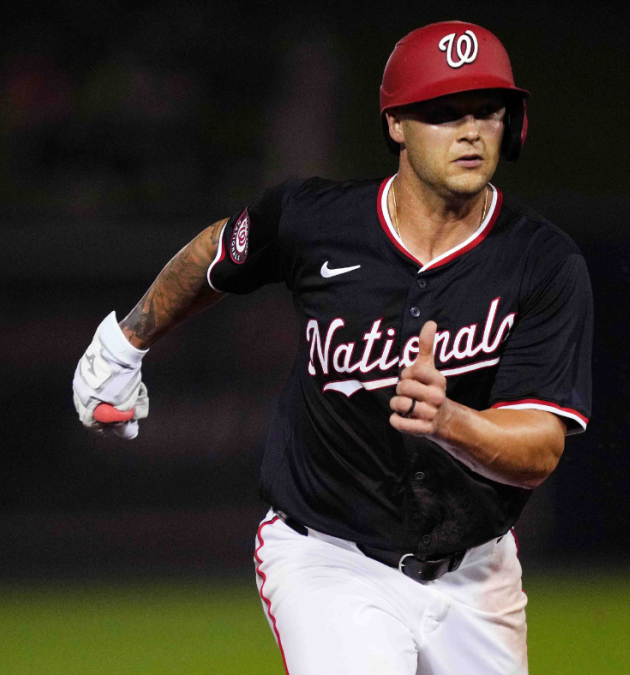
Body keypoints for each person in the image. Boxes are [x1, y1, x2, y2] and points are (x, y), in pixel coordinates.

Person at [72, 20, 592, 674]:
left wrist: (451, 421)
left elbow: (541, 444)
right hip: (331, 557)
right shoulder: (316, 222)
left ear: (512, 124)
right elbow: (218, 253)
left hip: (476, 571)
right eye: (442, 111)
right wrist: (124, 344)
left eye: (487, 109)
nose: (469, 128)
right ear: (397, 124)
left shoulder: (542, 262)